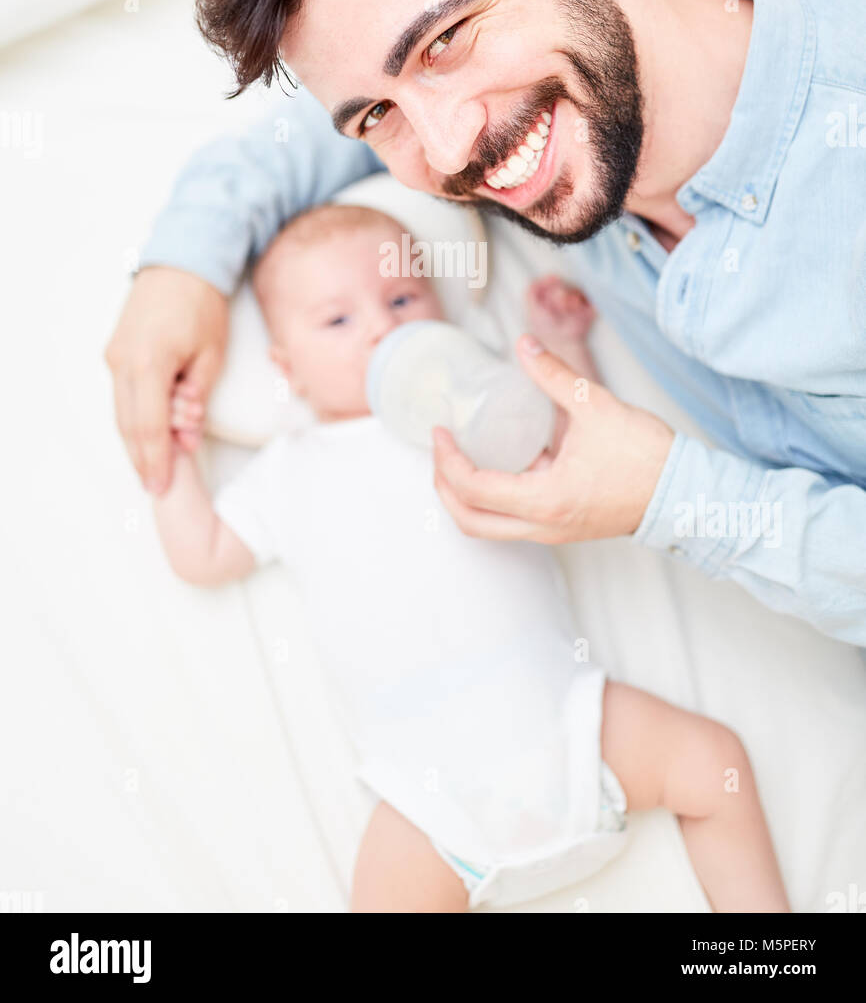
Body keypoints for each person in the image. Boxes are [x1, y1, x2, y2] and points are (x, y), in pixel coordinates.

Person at [105, 0, 866, 645]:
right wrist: (180, 267)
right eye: (380, 113)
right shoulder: (566, 95)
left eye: (445, 42)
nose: (449, 152)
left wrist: (672, 499)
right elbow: (296, 144)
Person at [152, 202, 790, 913]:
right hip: (432, 801)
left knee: (715, 766)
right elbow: (203, 553)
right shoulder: (287, 471)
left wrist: (559, 348)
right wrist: (172, 461)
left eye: (402, 298)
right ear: (287, 368)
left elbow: (574, 452)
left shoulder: (472, 410)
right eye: (338, 321)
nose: (382, 327)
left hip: (570, 729)